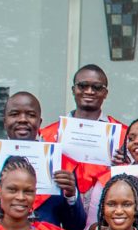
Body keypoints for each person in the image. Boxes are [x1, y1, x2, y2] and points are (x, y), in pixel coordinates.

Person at [0, 92, 86, 230]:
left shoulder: (61, 165)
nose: (23, 119)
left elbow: (76, 227)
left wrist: (71, 195)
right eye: (14, 114)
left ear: (39, 122)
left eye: (31, 115)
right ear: (5, 121)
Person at [39, 64, 125, 197]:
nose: (89, 91)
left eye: (97, 87)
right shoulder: (48, 134)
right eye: (83, 86)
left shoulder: (123, 134)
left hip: (105, 200)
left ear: (105, 93)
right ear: (73, 90)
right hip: (60, 202)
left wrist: (124, 163)